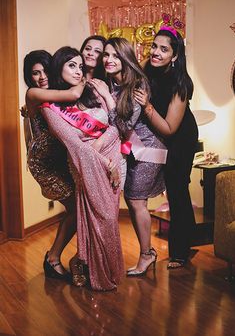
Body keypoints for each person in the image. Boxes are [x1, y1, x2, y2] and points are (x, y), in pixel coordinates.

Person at [41, 46, 124, 291]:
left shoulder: (92, 92)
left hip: (110, 156)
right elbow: (73, 144)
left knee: (110, 219)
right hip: (87, 164)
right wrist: (104, 162)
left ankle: (102, 269)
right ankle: (90, 268)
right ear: (59, 68)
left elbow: (117, 126)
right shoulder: (51, 106)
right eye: (71, 65)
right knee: (97, 218)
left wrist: (105, 152)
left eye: (80, 65)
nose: (79, 71)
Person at [90, 37, 167, 277]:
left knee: (136, 202)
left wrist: (108, 97)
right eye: (107, 55)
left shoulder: (137, 85)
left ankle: (147, 254)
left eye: (115, 56)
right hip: (129, 152)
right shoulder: (111, 82)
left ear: (125, 59)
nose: (109, 60)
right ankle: (147, 253)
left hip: (147, 149)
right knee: (134, 202)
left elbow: (124, 125)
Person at [135, 26, 198, 269]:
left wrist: (147, 105)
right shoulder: (147, 68)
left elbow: (170, 128)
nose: (156, 52)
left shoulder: (181, 82)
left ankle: (180, 252)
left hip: (181, 138)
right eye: (154, 46)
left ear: (174, 56)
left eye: (164, 49)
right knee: (176, 189)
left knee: (176, 189)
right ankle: (190, 234)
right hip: (158, 132)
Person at [23, 50, 85, 280]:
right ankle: (53, 258)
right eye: (34, 73)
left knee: (77, 208)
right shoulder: (34, 93)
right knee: (76, 209)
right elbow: (73, 93)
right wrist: (86, 75)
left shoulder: (52, 91)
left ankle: (58, 257)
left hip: (60, 160)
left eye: (44, 71)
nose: (41, 77)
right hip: (44, 164)